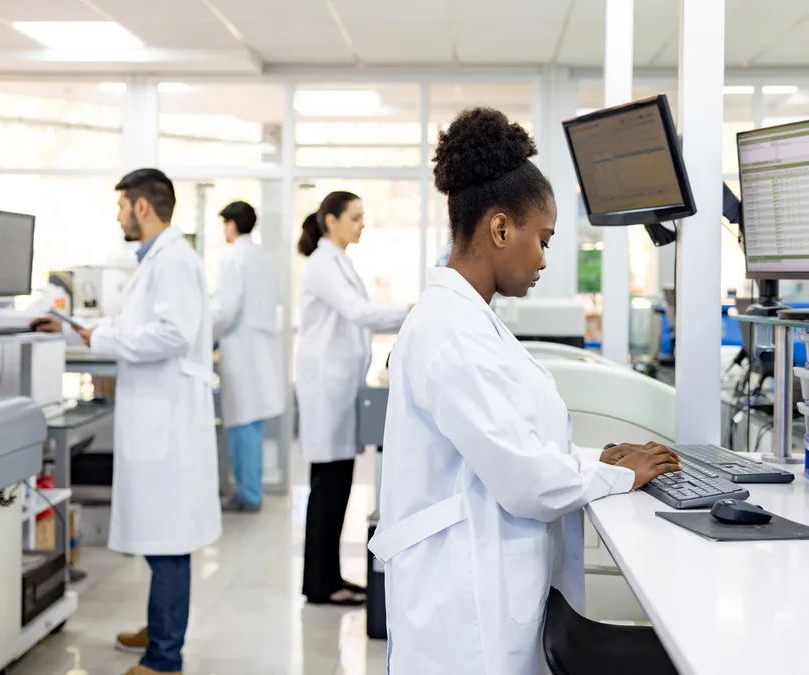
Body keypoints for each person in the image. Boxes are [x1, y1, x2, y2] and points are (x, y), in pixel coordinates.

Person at [369, 108, 681, 673]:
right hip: (462, 619)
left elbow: (516, 445)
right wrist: (618, 474)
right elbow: (525, 481)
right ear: (500, 228)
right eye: (543, 239)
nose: (543, 258)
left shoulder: (469, 320)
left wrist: (597, 458)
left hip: (479, 591)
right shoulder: (451, 332)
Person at [32, 168, 221, 675]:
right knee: (161, 536)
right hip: (157, 413)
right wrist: (83, 330)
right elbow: (140, 326)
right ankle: (159, 630)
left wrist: (100, 340)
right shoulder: (159, 261)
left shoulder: (174, 261)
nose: (118, 215)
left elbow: (171, 335)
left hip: (169, 418)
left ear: (141, 206)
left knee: (168, 541)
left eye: (120, 206)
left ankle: (165, 656)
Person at [295, 191, 412, 606]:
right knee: (328, 486)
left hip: (340, 386)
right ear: (331, 221)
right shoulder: (322, 264)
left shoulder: (338, 261)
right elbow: (360, 313)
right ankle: (321, 583)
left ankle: (327, 579)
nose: (362, 224)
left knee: (336, 484)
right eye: (356, 218)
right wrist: (416, 309)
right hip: (327, 388)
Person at [211, 200, 284, 512]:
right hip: (261, 350)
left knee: (241, 424)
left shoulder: (233, 258)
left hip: (241, 351)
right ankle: (250, 491)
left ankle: (248, 494)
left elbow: (225, 310)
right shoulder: (264, 258)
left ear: (230, 225)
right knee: (251, 423)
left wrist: (204, 334)